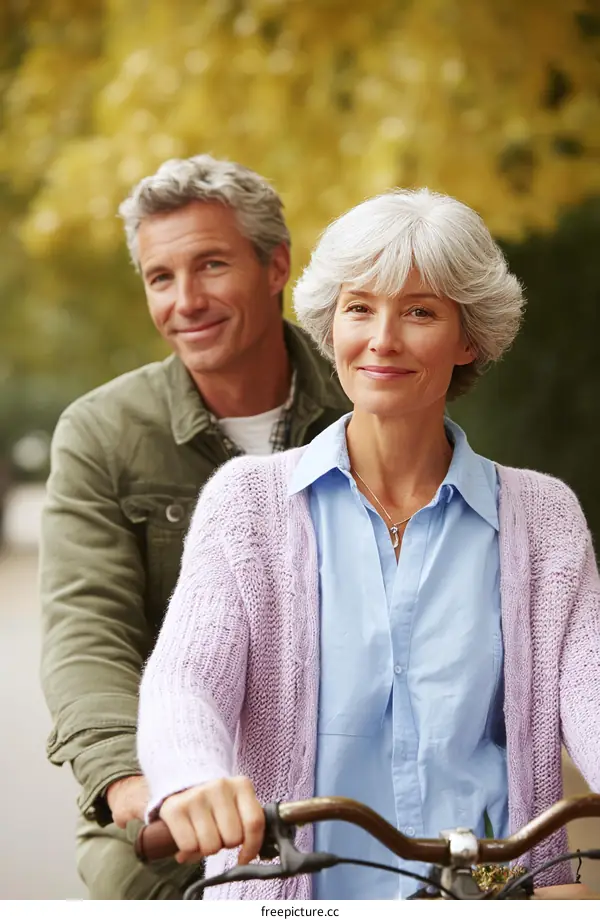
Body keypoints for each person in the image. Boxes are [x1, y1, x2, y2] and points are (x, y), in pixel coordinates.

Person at [137, 188, 600, 900]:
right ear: (332, 323)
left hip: (490, 893)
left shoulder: (544, 517)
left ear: (468, 335)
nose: (382, 338)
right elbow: (187, 679)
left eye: (419, 311)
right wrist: (192, 778)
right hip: (293, 898)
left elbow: (591, 687)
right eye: (360, 308)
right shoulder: (250, 504)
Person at [39, 154, 351, 900]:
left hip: (356, 790)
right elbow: (87, 630)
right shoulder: (104, 433)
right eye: (160, 277)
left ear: (275, 266)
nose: (186, 300)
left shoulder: (368, 396)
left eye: (210, 265)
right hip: (179, 813)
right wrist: (133, 784)